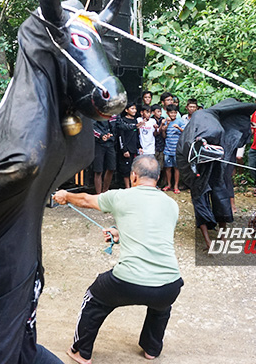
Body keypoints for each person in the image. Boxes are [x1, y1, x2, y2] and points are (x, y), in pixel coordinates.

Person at [52, 155, 183, 363]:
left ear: (133, 176)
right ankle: (152, 349)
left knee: (94, 298)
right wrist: (118, 233)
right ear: (158, 178)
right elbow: (151, 234)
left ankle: (80, 352)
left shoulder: (121, 196)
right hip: (169, 284)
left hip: (128, 282)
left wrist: (65, 195)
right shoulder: (171, 205)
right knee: (161, 306)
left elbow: (86, 200)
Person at [115, 103, 140, 188]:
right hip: (126, 148)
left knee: (133, 168)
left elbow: (137, 135)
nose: (134, 111)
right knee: (125, 169)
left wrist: (139, 146)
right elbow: (120, 136)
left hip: (134, 148)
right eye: (132, 109)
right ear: (126, 110)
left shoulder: (136, 120)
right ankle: (127, 186)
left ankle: (133, 185)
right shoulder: (122, 121)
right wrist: (124, 149)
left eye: (135, 109)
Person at [162, 104, 185, 194]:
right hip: (167, 149)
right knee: (167, 168)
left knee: (176, 168)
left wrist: (178, 128)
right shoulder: (165, 122)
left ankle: (176, 185)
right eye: (171, 113)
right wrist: (166, 125)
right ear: (167, 113)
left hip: (177, 149)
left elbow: (184, 132)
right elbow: (164, 136)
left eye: (175, 113)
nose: (173, 115)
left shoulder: (180, 121)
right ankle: (168, 184)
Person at [93, 117, 116, 194]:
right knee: (98, 170)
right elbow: (92, 127)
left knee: (111, 167)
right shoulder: (96, 112)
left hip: (110, 143)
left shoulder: (113, 112)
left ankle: (105, 191)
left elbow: (118, 124)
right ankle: (98, 195)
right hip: (99, 144)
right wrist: (101, 135)